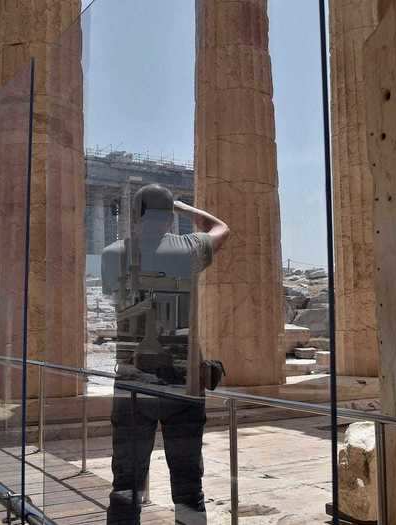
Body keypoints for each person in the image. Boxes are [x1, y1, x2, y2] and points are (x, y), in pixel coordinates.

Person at [101, 184, 230, 524]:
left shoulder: (113, 254)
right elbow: (221, 228)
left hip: (133, 384)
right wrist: (183, 209)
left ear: (135, 214)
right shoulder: (188, 249)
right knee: (189, 487)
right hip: (183, 384)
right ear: (169, 215)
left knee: (125, 485)